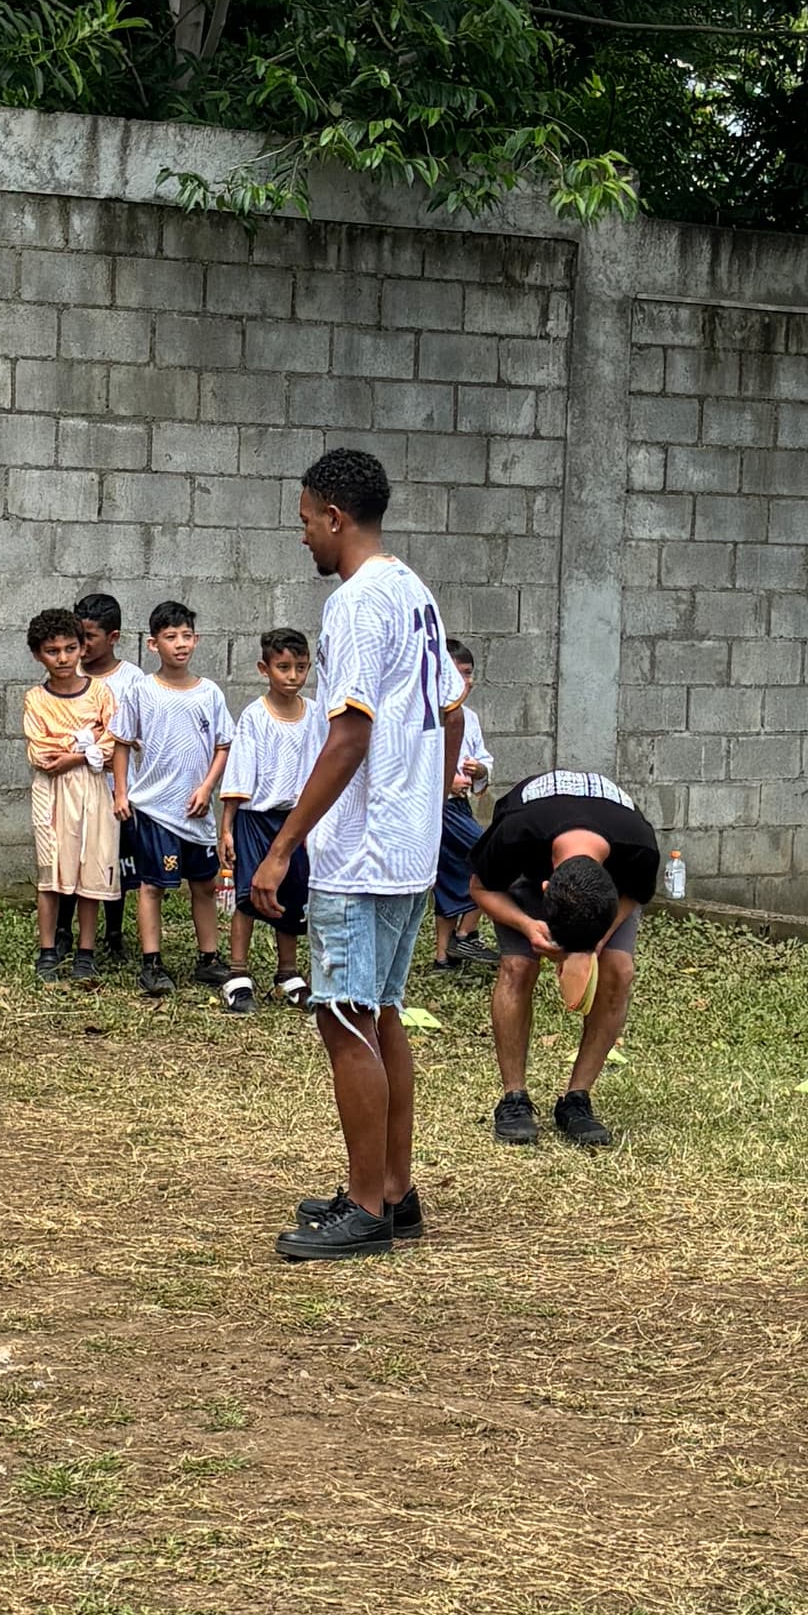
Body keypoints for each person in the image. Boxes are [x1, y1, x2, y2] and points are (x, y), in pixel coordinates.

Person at [243, 449, 459, 1262]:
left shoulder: (358, 602)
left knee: (341, 1018)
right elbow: (452, 711)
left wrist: (283, 847)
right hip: (407, 847)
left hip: (361, 854)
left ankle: (366, 1208)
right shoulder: (414, 591)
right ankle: (394, 1192)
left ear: (335, 516)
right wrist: (426, 807)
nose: (302, 536)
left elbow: (351, 731)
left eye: (305, 520)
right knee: (380, 1014)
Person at [472, 765, 660, 1148]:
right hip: (528, 863)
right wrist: (527, 926)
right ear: (545, 886)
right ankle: (514, 1098)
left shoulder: (638, 848)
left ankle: (577, 1099)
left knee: (619, 970)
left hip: (607, 874)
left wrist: (596, 943)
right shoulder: (515, 835)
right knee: (517, 966)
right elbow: (478, 887)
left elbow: (635, 894)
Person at [111, 598, 234, 1001]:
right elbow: (122, 743)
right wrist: (122, 792)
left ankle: (208, 958)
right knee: (152, 886)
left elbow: (223, 745)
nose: (179, 644)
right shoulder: (140, 691)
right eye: (170, 637)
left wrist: (207, 788)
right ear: (152, 645)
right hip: (154, 810)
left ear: (196, 640)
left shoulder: (210, 693)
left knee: (205, 885)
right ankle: (152, 964)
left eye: (186, 636)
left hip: (196, 811)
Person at [216, 628, 318, 1011]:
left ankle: (287, 973)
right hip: (254, 819)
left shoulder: (316, 717)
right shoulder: (255, 716)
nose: (292, 676)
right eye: (284, 667)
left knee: (290, 895)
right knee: (248, 896)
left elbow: (319, 773)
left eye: (301, 668)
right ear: (265, 668)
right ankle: (237, 972)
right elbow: (239, 775)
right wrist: (226, 828)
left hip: (296, 821)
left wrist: (312, 823)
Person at [21, 603, 118, 977]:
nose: (62, 658)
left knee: (92, 869)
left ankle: (86, 953)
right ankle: (47, 950)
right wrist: (86, 741)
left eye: (69, 648)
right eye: (52, 650)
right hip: (51, 793)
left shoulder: (101, 694)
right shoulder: (36, 699)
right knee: (51, 869)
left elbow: (112, 743)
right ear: (37, 655)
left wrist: (78, 754)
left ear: (81, 648)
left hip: (94, 790)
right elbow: (40, 750)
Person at [432, 630, 493, 965]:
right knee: (491, 856)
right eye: (457, 674)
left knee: (462, 869)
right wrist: (445, 782)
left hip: (460, 806)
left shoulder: (469, 719)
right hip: (438, 808)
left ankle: (453, 946)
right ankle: (460, 940)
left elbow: (484, 758)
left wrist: (479, 771)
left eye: (469, 674)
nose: (465, 681)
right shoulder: (424, 715)